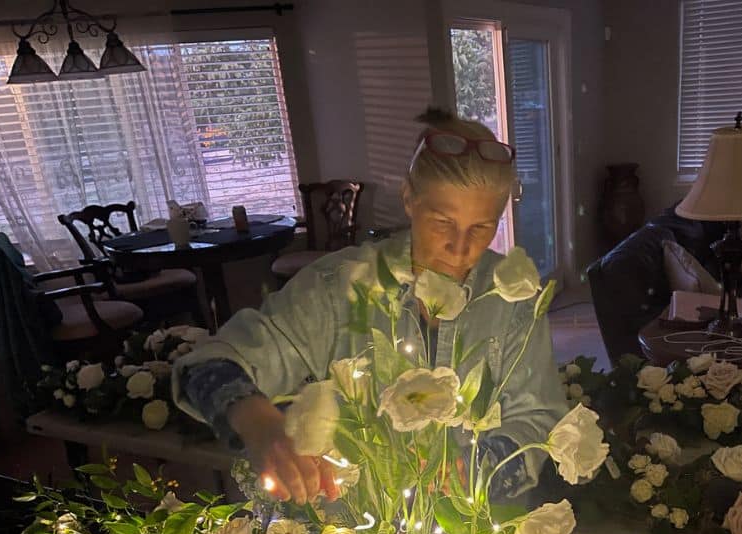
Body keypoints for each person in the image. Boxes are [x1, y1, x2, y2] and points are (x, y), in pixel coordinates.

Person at [173, 109, 567, 504]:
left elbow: (537, 417)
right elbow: (207, 366)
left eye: (481, 227)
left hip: (473, 525)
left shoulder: (512, 300)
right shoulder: (338, 287)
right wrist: (262, 427)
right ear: (409, 198)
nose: (461, 249)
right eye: (443, 222)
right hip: (354, 525)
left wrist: (478, 468)